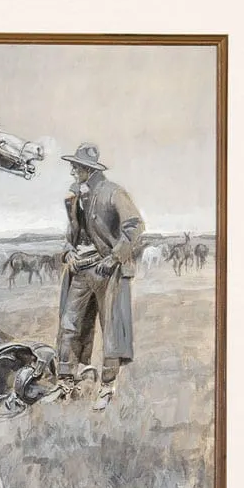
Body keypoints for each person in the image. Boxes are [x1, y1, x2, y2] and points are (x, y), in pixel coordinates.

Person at [56, 142, 144, 411]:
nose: (72, 171)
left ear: (88, 169)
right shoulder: (74, 196)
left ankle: (107, 386)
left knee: (111, 329)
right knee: (69, 323)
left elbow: (135, 226)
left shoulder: (113, 192)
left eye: (76, 166)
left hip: (108, 271)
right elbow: (72, 234)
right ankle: (65, 382)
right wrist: (68, 251)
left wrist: (114, 257)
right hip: (80, 269)